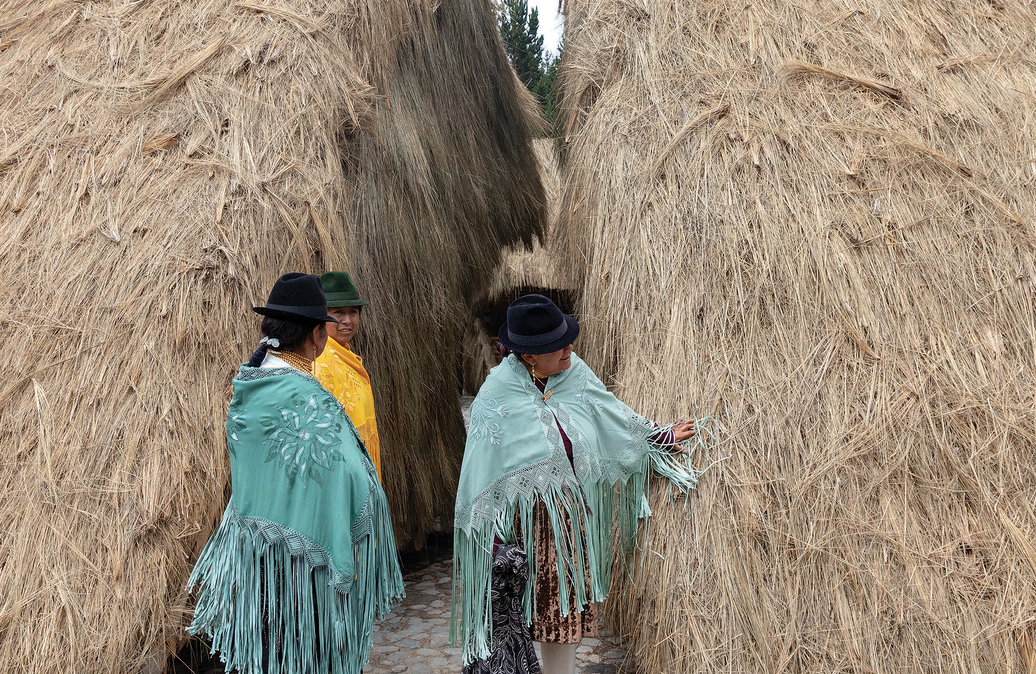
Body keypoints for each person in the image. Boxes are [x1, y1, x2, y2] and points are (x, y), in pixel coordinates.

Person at [451, 295, 700, 674]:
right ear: (529, 355)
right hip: (519, 531)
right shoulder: (496, 394)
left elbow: (611, 414)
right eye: (558, 344)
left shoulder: (574, 373)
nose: (570, 347)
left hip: (563, 528)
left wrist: (658, 438)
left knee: (561, 624)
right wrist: (491, 537)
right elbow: (481, 469)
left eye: (568, 338)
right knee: (512, 625)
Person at [187, 272, 403, 674]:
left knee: (273, 654)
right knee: (305, 654)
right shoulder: (307, 395)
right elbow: (353, 476)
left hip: (259, 560)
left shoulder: (249, 387)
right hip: (305, 570)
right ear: (318, 335)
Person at [311, 270, 382, 474]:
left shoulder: (348, 358)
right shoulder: (320, 364)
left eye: (353, 312)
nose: (348, 320)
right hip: (343, 471)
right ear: (321, 318)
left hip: (361, 468)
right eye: (338, 312)